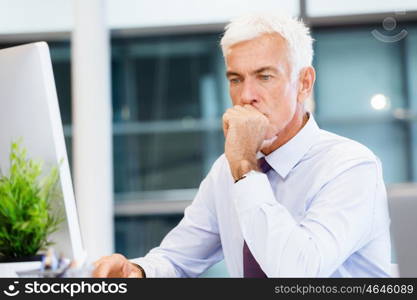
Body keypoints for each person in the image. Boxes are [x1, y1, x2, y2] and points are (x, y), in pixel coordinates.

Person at [93, 13, 391, 278]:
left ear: (304, 83)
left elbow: (295, 273)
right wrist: (138, 272)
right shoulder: (228, 168)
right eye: (236, 79)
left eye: (264, 76)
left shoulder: (350, 166)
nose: (246, 95)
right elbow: (177, 259)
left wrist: (245, 168)